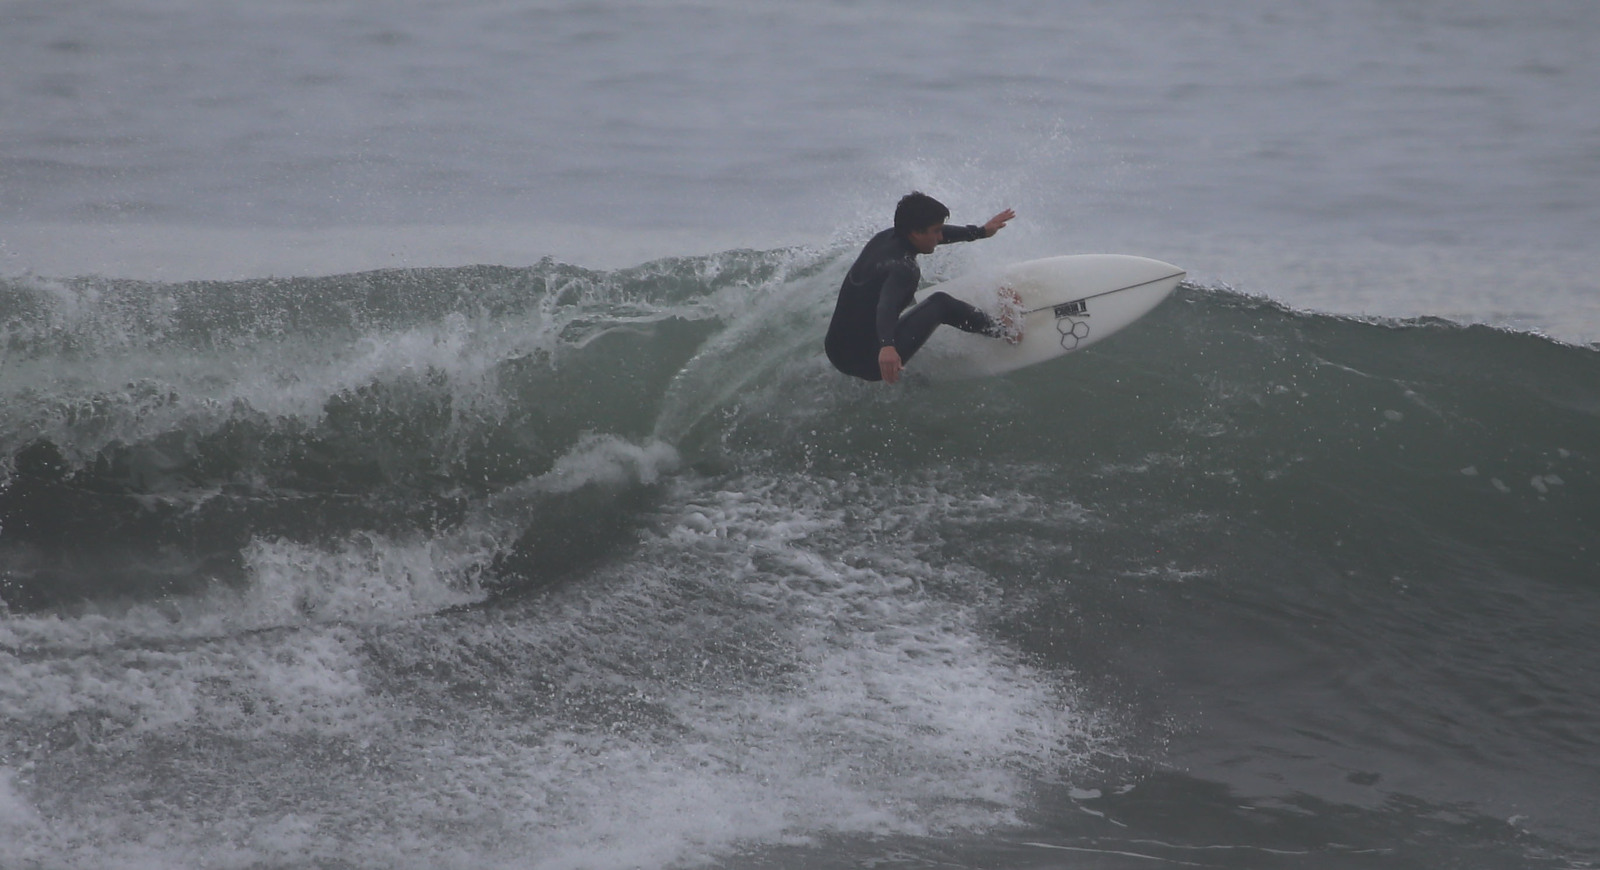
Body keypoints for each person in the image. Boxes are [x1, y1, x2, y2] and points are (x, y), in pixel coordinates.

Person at [825, 192, 1018, 385]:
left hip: (835, 351)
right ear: (916, 233)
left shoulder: (884, 239)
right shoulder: (904, 268)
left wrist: (980, 231)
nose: (940, 237)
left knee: (893, 293)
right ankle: (1004, 330)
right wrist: (887, 347)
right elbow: (886, 306)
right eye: (936, 231)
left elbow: (883, 302)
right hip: (870, 362)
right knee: (940, 303)